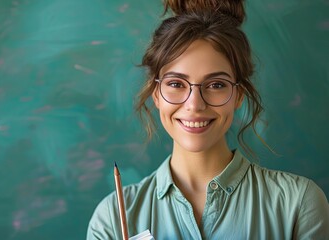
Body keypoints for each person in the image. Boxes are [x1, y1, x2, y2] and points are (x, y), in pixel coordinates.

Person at [87, 0, 329, 239]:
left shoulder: (298, 204)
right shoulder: (112, 218)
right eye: (175, 84)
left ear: (238, 96)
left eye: (216, 85)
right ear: (156, 95)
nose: (195, 104)